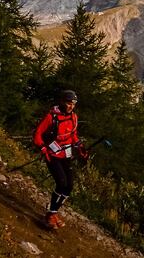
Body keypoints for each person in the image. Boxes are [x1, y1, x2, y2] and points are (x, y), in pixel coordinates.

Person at [33, 89, 88, 230]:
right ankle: (51, 214)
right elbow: (38, 134)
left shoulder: (74, 117)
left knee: (69, 186)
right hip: (52, 155)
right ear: (63, 102)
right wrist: (43, 148)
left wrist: (80, 147)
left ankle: (54, 212)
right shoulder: (51, 117)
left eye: (74, 104)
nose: (71, 106)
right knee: (61, 182)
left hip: (66, 154)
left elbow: (73, 135)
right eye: (69, 103)